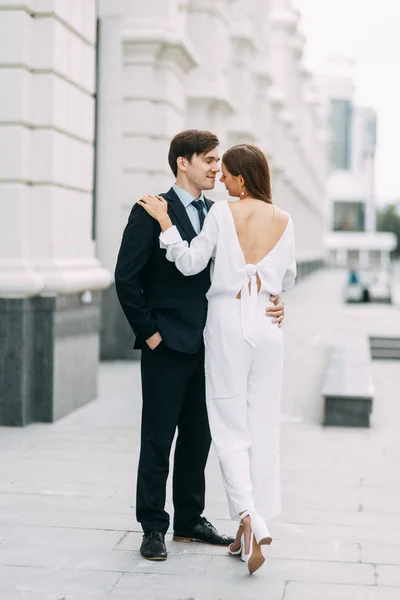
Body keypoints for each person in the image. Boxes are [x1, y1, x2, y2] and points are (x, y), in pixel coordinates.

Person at [114, 130, 285, 563]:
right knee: (158, 438)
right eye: (208, 160)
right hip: (166, 344)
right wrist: (150, 333)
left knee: (199, 437)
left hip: (214, 343)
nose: (215, 168)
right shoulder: (151, 210)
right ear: (182, 163)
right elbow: (126, 277)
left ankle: (190, 519)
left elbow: (239, 270)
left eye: (218, 162)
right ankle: (154, 524)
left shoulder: (219, 212)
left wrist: (273, 300)